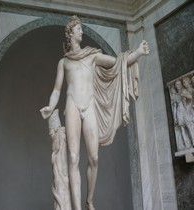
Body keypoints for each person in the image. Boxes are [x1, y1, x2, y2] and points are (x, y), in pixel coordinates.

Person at [40, 15, 149, 210]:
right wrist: (50, 105)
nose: (82, 31)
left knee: (94, 158)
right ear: (71, 33)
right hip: (72, 105)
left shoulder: (92, 56)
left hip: (89, 105)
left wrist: (138, 53)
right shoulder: (63, 62)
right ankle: (77, 208)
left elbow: (118, 63)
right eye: (79, 28)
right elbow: (57, 89)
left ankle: (89, 200)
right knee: (73, 158)